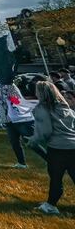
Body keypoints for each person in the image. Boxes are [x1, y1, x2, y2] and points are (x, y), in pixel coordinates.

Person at [29, 81, 75, 215]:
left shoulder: (41, 108)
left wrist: (33, 141)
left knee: (56, 178)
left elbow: (45, 131)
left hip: (58, 149)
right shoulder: (66, 107)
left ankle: (51, 205)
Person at [0, 80, 40, 169]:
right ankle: (21, 163)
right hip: (9, 120)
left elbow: (17, 101)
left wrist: (9, 98)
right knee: (14, 142)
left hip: (21, 119)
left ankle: (50, 160)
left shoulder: (10, 86)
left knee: (30, 142)